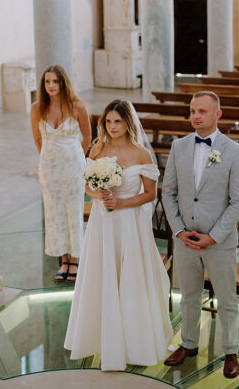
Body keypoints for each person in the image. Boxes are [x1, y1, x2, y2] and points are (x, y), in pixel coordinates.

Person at [64, 100, 173, 371]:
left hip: (130, 223)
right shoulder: (98, 148)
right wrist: (96, 193)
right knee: (103, 273)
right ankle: (101, 337)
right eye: (109, 121)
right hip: (103, 223)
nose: (113, 127)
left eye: (118, 121)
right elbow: (88, 184)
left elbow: (149, 193)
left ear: (128, 123)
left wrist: (121, 204)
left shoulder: (141, 154)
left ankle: (134, 342)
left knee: (130, 276)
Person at [161, 91, 239, 379]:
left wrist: (214, 236)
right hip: (185, 240)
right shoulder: (178, 147)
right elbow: (169, 193)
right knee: (188, 296)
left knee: (226, 298)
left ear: (217, 114)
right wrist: (178, 231)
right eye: (192, 111)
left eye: (202, 111)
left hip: (219, 243)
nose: (195, 116)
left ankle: (230, 350)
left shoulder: (234, 152)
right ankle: (188, 344)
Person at [30, 65, 91, 282]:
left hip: (73, 166)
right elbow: (38, 139)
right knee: (54, 213)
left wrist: (74, 159)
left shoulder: (77, 106)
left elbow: (87, 137)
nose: (51, 86)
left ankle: (76, 259)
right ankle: (64, 260)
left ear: (63, 83)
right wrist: (48, 159)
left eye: (55, 81)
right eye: (47, 82)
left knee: (73, 210)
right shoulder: (37, 108)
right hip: (49, 169)